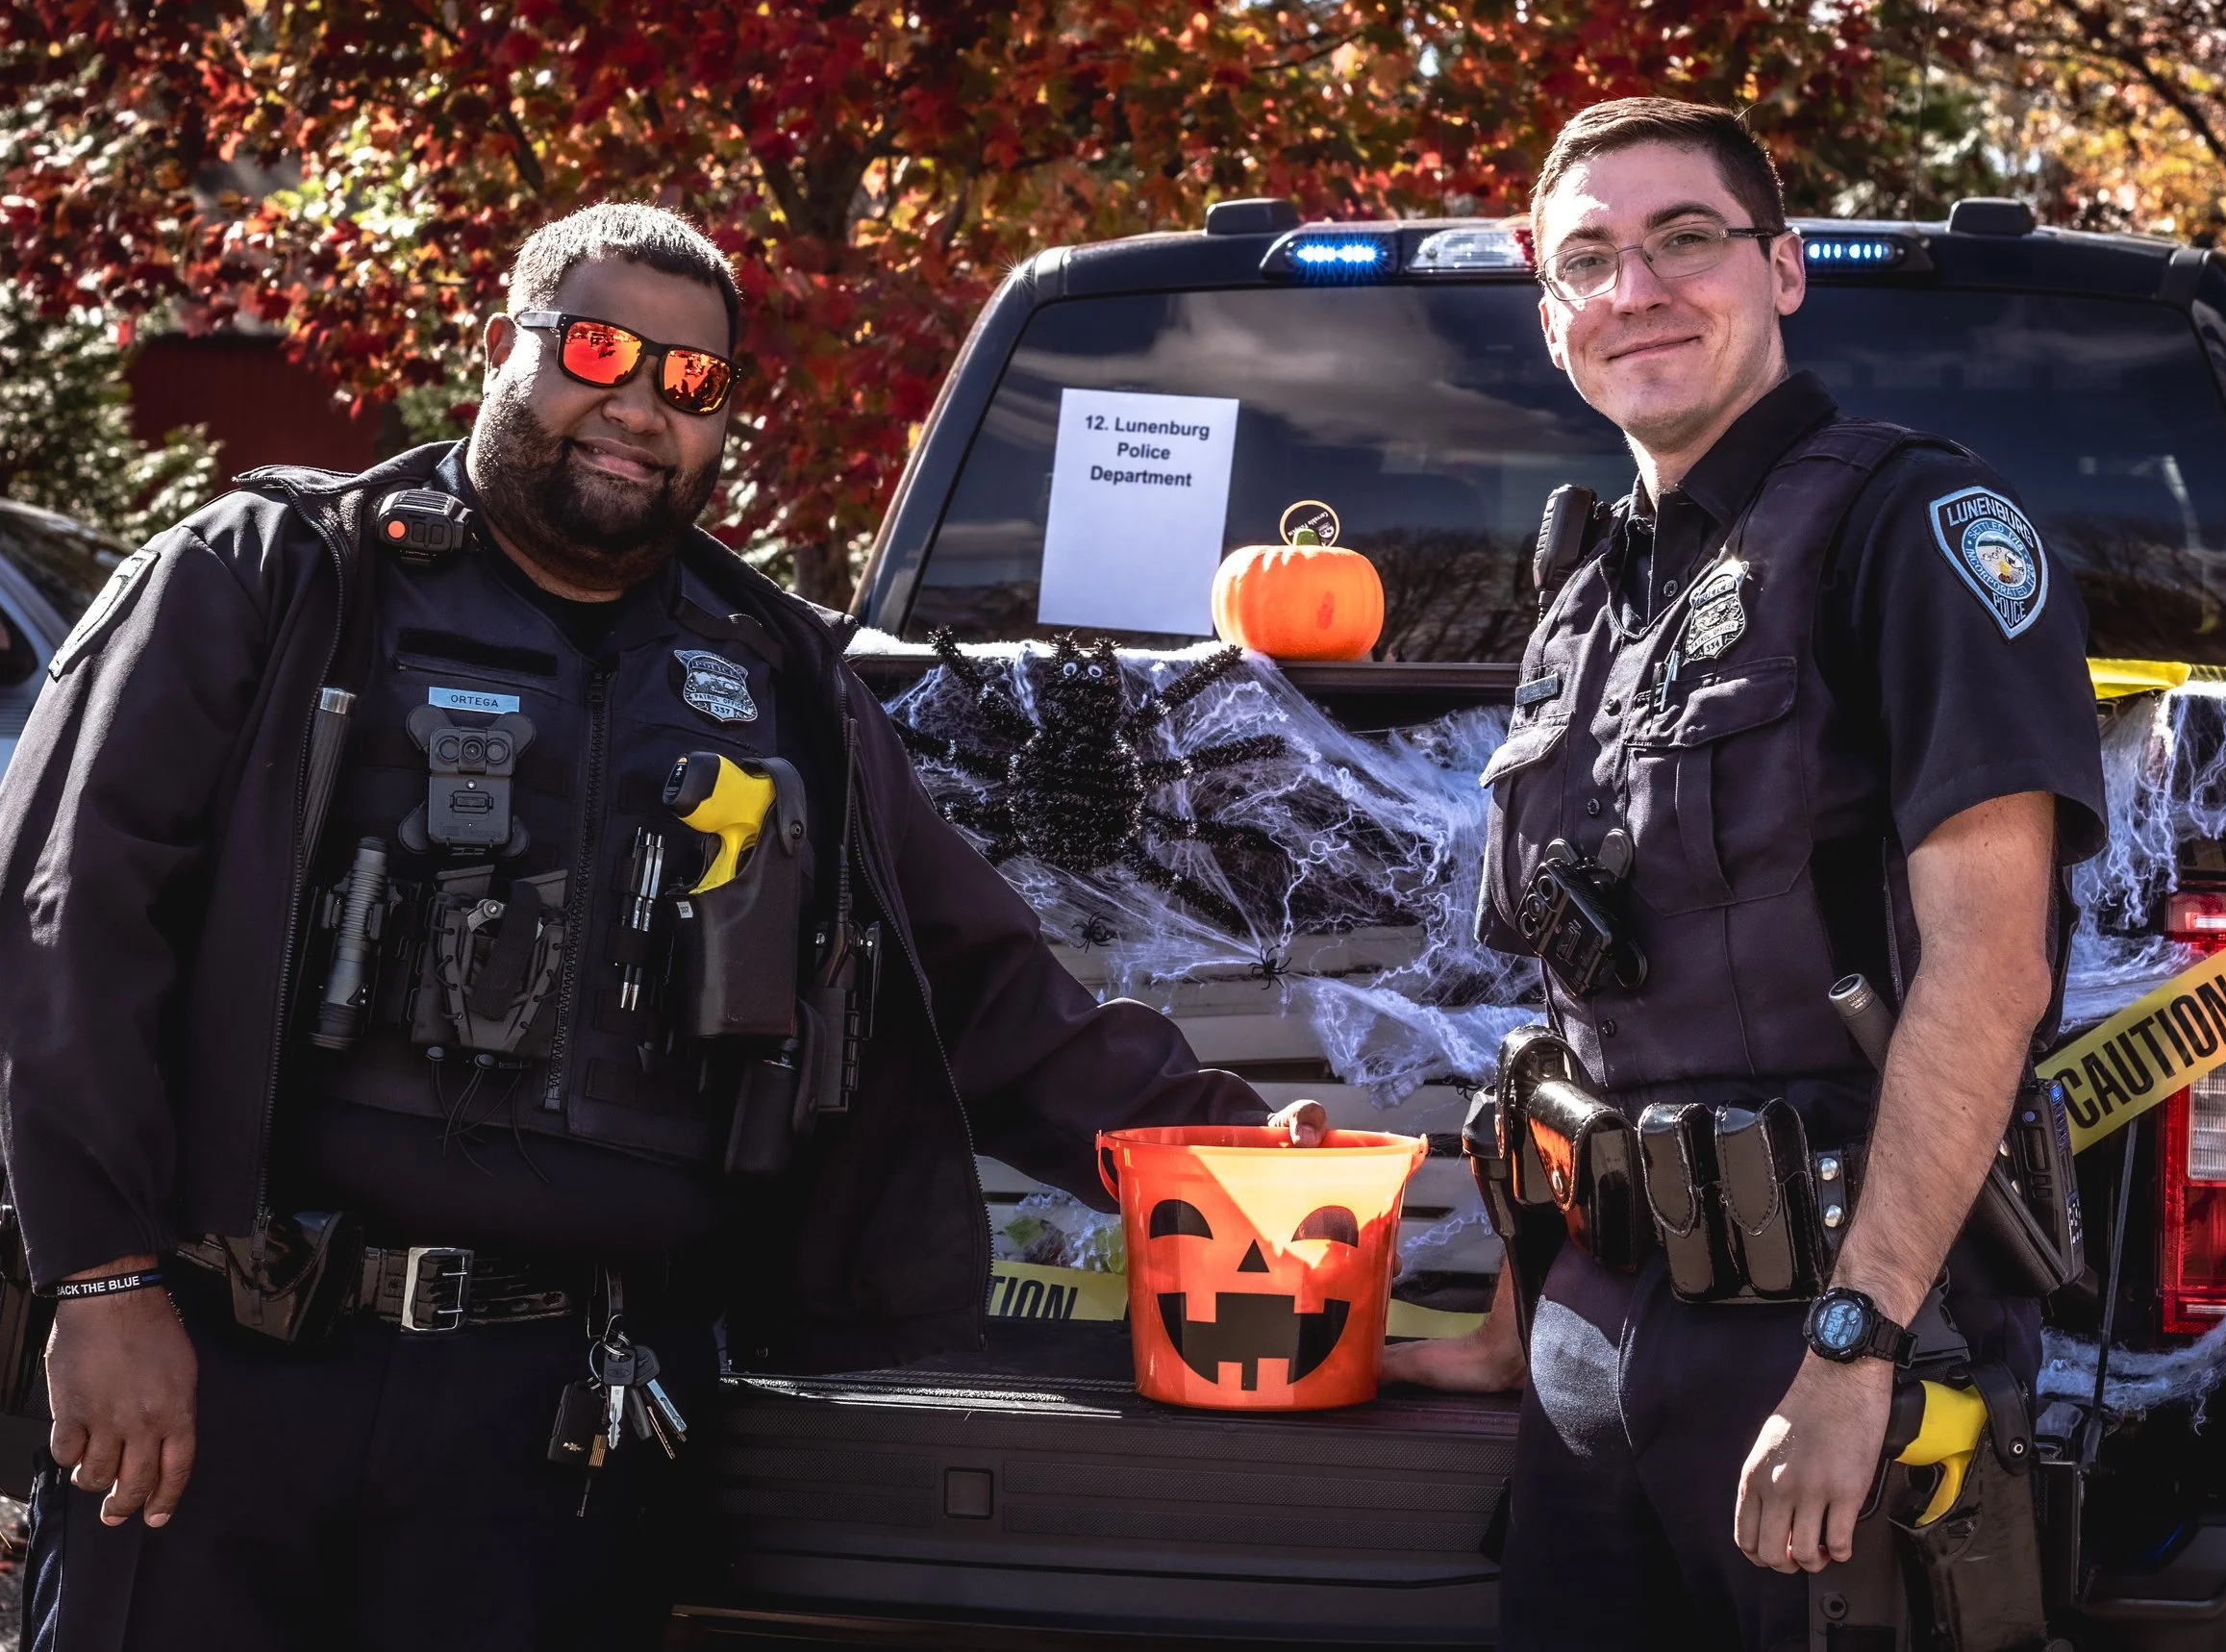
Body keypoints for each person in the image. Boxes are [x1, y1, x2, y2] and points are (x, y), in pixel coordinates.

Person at [0, 202, 1321, 1652]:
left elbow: (981, 989)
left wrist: (1250, 1165)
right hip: (228, 1374)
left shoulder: (774, 675)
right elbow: (71, 922)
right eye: (596, 349)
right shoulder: (282, 575)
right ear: (499, 348)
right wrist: (104, 1279)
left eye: (692, 383)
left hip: (563, 1427)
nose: (639, 405)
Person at [1389, 99, 2106, 1648]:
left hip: (1832, 1346)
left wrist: (1855, 1352)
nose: (1634, 286)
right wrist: (1518, 1330)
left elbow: (1993, 969)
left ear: (1783, 268)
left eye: (1684, 239)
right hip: (1595, 1349)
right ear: (1552, 315)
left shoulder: (1916, 528)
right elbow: (1594, 1006)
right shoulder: (1589, 594)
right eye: (1589, 258)